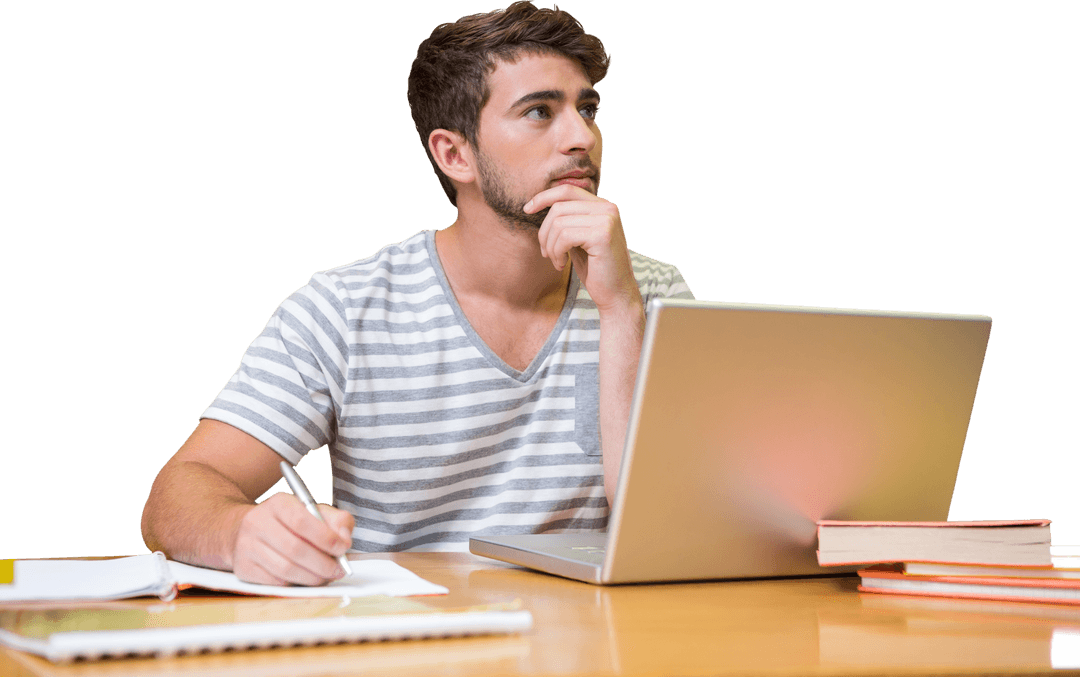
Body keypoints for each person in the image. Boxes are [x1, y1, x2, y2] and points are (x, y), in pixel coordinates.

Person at [140, 0, 693, 586]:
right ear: (455, 154)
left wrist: (619, 311)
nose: (582, 136)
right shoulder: (344, 309)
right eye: (539, 112)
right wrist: (240, 534)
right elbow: (178, 493)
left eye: (588, 109)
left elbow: (670, 528)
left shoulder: (652, 293)